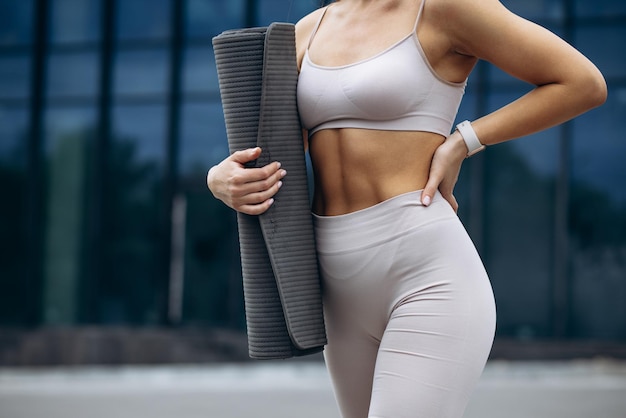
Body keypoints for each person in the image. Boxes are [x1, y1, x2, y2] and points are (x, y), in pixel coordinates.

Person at [207, 0, 607, 416]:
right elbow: (269, 151)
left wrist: (464, 141)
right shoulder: (308, 30)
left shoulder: (445, 8)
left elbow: (582, 82)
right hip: (337, 288)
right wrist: (218, 179)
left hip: (425, 274)